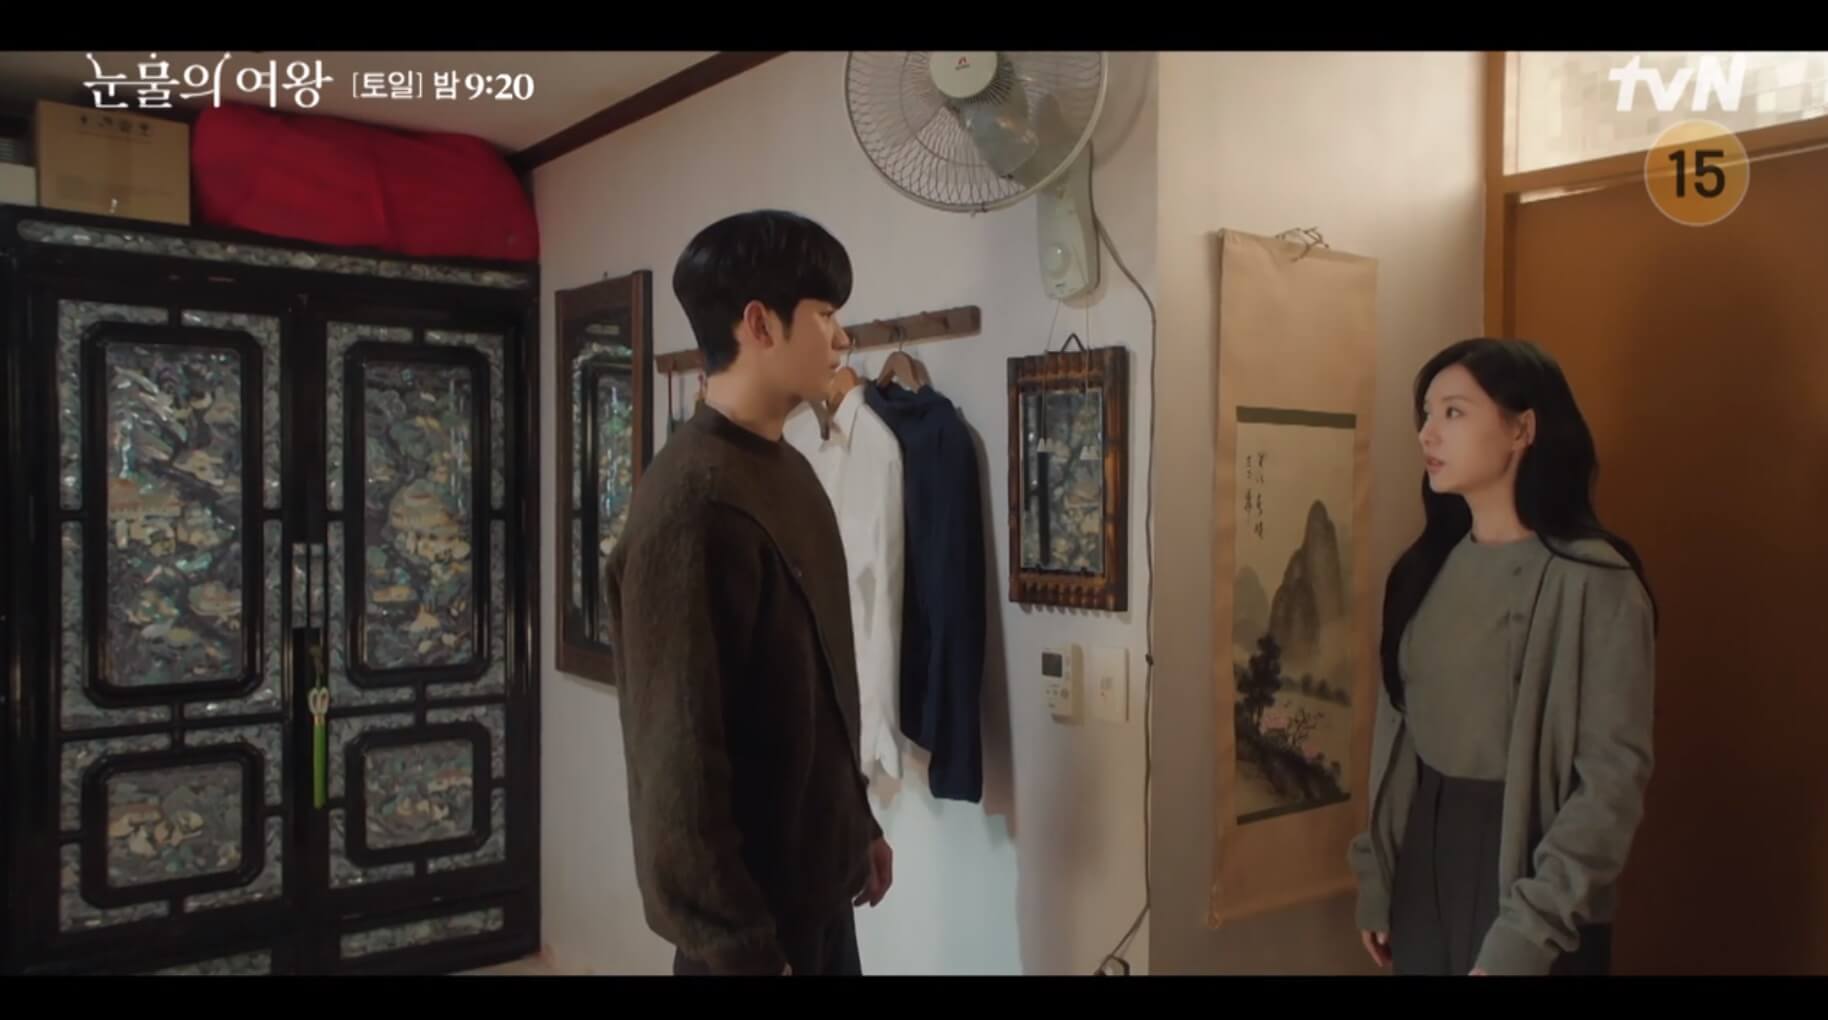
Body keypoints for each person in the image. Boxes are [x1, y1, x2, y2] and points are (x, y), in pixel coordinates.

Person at [602, 210, 893, 976]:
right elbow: (678, 769)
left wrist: (857, 826)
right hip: (753, 938)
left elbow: (816, 686)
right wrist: (740, 949)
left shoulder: (788, 470)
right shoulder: (691, 504)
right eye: (825, 314)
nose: (842, 338)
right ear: (760, 324)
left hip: (821, 899)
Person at [1347, 337, 1657, 977]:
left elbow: (1611, 783)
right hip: (1424, 866)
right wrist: (1379, 874)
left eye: (1454, 412)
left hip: (1534, 879)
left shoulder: (1595, 582)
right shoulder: (1423, 570)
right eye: (1426, 414)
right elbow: (1398, 740)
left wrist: (1527, 932)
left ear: (1522, 429)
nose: (1428, 433)